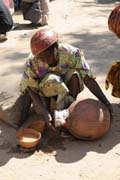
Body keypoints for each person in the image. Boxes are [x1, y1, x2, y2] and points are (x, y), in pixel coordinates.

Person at [19, 27, 113, 130]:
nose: (45, 60)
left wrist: (106, 102)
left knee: (75, 74)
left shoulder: (72, 53)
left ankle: (69, 109)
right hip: (47, 87)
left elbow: (88, 78)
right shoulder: (32, 61)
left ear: (56, 47)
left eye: (48, 56)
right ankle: (53, 111)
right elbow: (31, 88)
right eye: (41, 58)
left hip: (66, 84)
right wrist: (45, 112)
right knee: (54, 80)